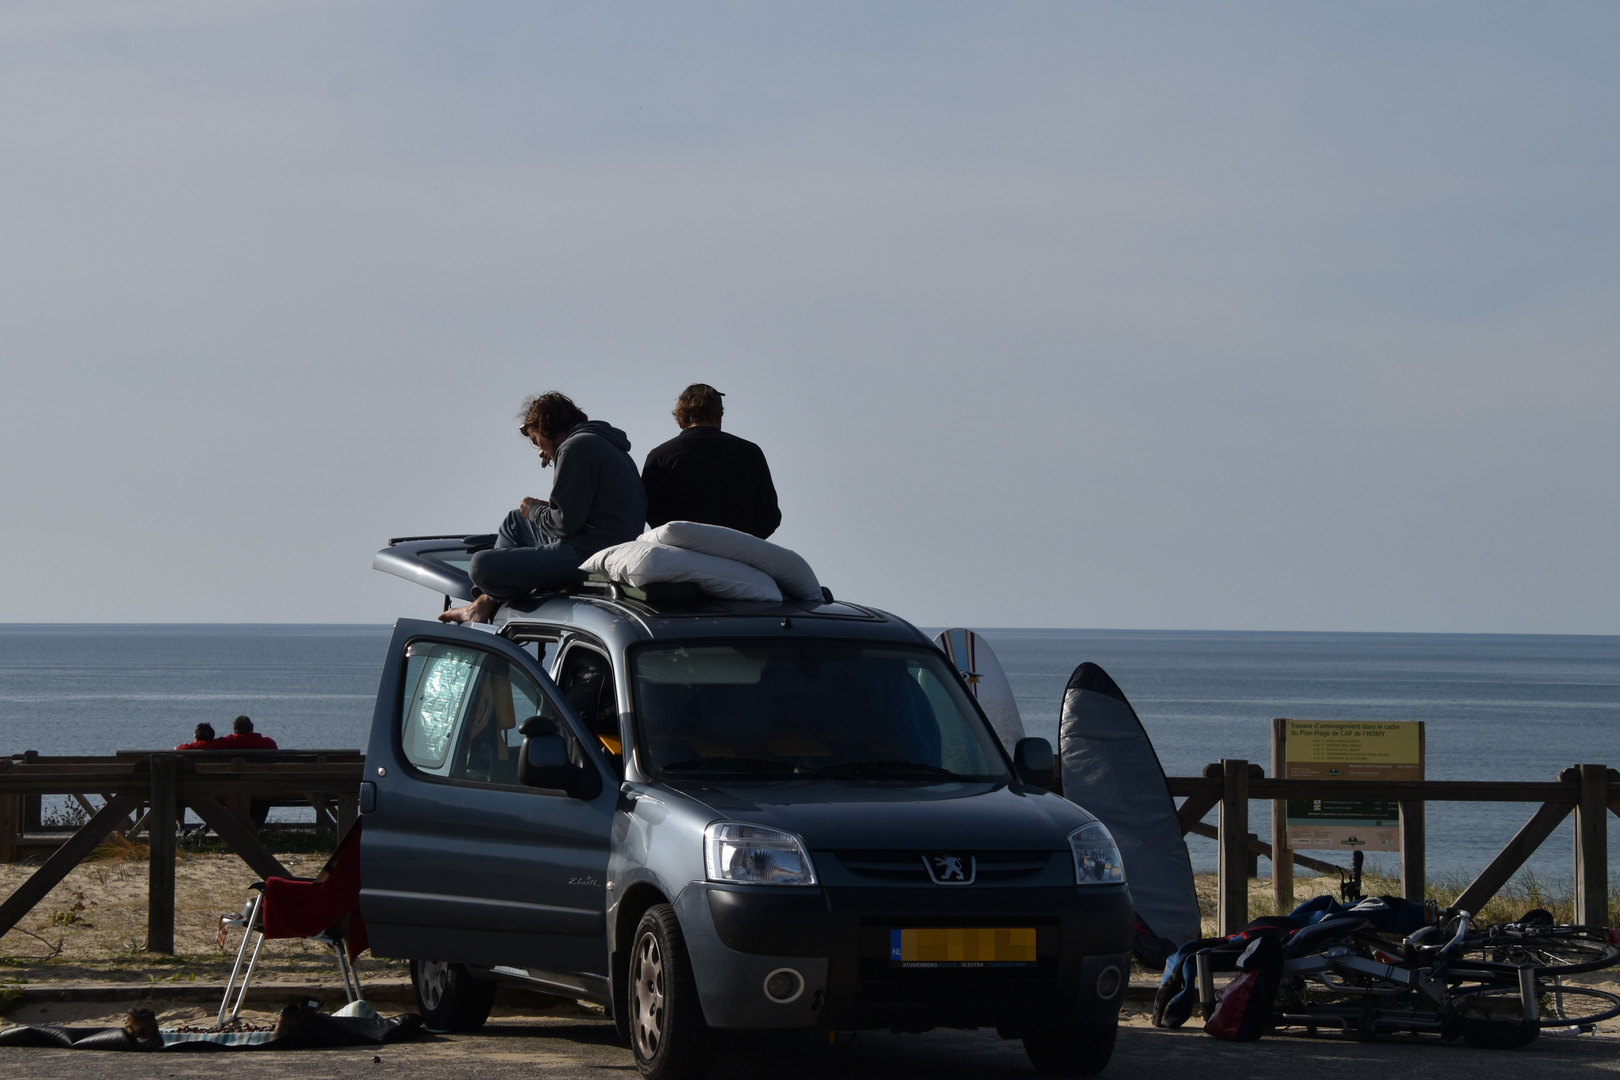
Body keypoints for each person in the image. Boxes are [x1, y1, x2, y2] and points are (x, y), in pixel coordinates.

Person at [442, 392, 646, 625]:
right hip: (604, 544)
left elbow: (564, 524)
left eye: (535, 440)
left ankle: (486, 601)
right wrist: (541, 512)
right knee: (515, 521)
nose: (540, 451)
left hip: (587, 556)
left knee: (481, 566)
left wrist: (534, 511)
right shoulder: (605, 444)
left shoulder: (574, 448)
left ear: (547, 427)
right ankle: (489, 600)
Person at [640, 384, 781, 538]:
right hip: (738, 553)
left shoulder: (660, 456)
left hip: (680, 551)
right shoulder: (751, 452)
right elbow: (770, 517)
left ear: (680, 421)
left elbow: (648, 511)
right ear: (719, 419)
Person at [211, 715, 279, 750]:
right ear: (252, 726)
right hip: (262, 776)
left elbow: (203, 745)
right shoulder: (268, 743)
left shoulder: (229, 741)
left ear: (235, 730)